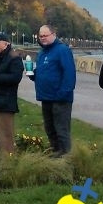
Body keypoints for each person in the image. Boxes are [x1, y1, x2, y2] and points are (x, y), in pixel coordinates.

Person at [29, 25, 76, 156]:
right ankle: (55, 154)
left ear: (53, 35)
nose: (42, 38)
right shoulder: (42, 52)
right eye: (41, 36)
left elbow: (69, 74)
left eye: (45, 35)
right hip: (46, 97)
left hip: (60, 99)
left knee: (61, 130)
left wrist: (62, 93)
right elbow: (44, 73)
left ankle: (66, 156)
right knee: (50, 129)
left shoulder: (62, 50)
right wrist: (34, 75)